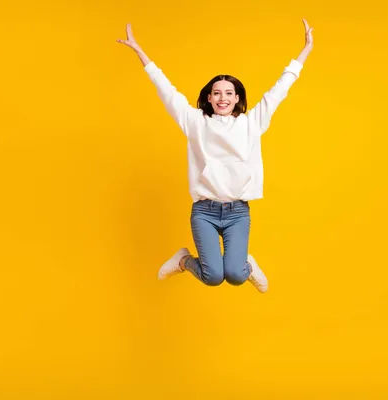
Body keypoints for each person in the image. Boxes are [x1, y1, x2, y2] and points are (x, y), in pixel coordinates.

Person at [118, 20, 313, 293]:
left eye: (229, 93)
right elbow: (167, 91)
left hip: (237, 212)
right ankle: (184, 260)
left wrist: (304, 53)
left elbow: (279, 91)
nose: (223, 98)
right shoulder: (195, 122)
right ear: (209, 98)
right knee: (212, 277)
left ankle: (247, 265)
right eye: (217, 93)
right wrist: (141, 53)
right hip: (204, 211)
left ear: (237, 99)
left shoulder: (251, 122)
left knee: (235, 275)